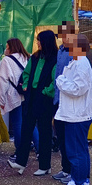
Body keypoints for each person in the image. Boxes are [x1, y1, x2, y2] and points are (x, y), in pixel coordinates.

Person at [54, 34, 92, 185]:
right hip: (77, 113)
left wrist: (60, 81)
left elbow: (78, 88)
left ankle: (77, 183)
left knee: (75, 150)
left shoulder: (80, 64)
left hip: (76, 114)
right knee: (80, 148)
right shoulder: (78, 62)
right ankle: (83, 180)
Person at [10, 30, 59, 177]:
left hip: (44, 99)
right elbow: (26, 73)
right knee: (26, 129)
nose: (37, 43)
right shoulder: (35, 57)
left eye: (39, 40)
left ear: (46, 42)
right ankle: (21, 161)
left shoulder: (55, 59)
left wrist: (46, 91)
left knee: (44, 132)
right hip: (31, 97)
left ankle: (45, 165)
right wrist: (25, 85)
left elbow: (55, 79)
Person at [0, 38, 30, 158]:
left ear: (11, 48)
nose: (5, 49)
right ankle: (39, 149)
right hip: (27, 94)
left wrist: (1, 100)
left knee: (18, 123)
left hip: (15, 95)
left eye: (7, 47)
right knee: (30, 123)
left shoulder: (6, 60)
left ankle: (20, 151)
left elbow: (2, 81)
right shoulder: (27, 57)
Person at [52, 22, 75, 180]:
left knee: (70, 139)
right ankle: (65, 168)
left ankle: (73, 171)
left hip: (69, 101)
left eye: (66, 35)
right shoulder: (60, 51)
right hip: (57, 100)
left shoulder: (75, 52)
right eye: (61, 35)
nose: (63, 38)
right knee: (61, 137)